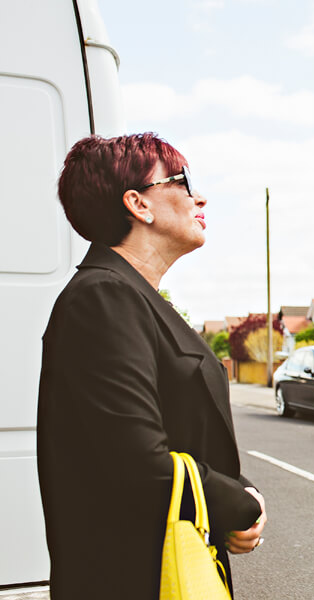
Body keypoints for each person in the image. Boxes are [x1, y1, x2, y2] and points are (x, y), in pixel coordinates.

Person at [37, 133, 267, 599]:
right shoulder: (103, 297)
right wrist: (238, 502)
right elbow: (135, 459)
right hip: (128, 577)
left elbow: (178, 430)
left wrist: (239, 492)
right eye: (182, 181)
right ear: (138, 204)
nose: (199, 196)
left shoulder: (133, 297)